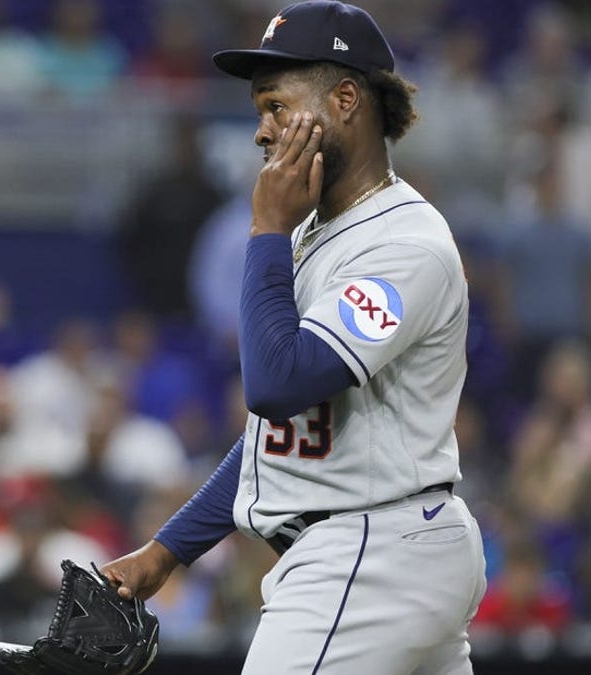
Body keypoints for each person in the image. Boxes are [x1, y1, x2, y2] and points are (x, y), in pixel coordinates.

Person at [101, 3, 486, 673]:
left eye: (277, 106)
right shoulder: (317, 235)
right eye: (260, 111)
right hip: (385, 544)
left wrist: (265, 230)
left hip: (369, 553)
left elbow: (278, 386)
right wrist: (164, 553)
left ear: (345, 100)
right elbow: (279, 439)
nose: (262, 131)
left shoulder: (402, 242)